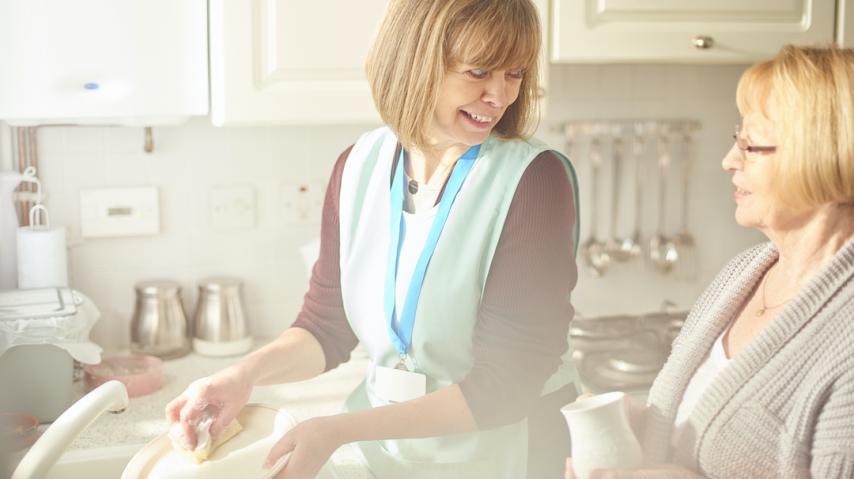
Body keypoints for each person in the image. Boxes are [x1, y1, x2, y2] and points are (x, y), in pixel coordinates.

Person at [167, 1, 582, 478]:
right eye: (479, 71)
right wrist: (241, 375)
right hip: (390, 454)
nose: (500, 95)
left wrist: (340, 430)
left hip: (509, 456)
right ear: (414, 60)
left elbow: (506, 384)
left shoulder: (533, 180)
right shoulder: (357, 166)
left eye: (514, 73)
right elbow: (326, 327)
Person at [566, 45, 854, 479]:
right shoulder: (742, 273)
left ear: (823, 154)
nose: (729, 161)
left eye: (751, 145)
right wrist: (647, 425)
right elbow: (717, 435)